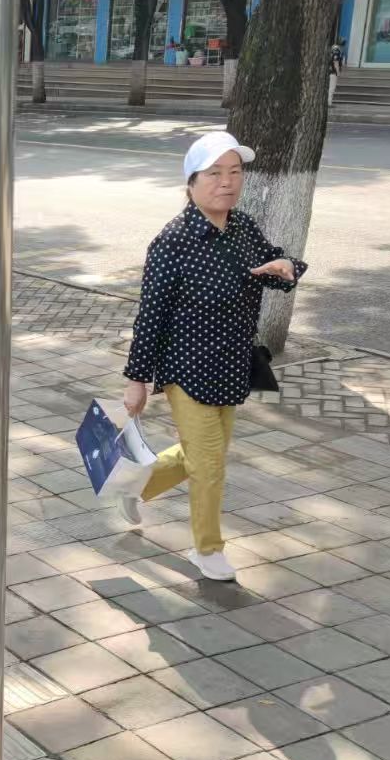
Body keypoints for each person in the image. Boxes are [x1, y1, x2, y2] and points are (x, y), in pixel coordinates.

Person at [120, 132, 306, 583]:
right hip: (187, 367)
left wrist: (285, 268)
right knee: (210, 465)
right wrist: (137, 379)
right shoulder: (173, 241)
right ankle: (209, 549)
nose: (227, 182)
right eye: (215, 174)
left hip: (231, 364)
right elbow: (152, 315)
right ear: (192, 183)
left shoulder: (242, 227)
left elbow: (275, 265)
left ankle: (135, 485)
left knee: (202, 454)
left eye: (235, 172)